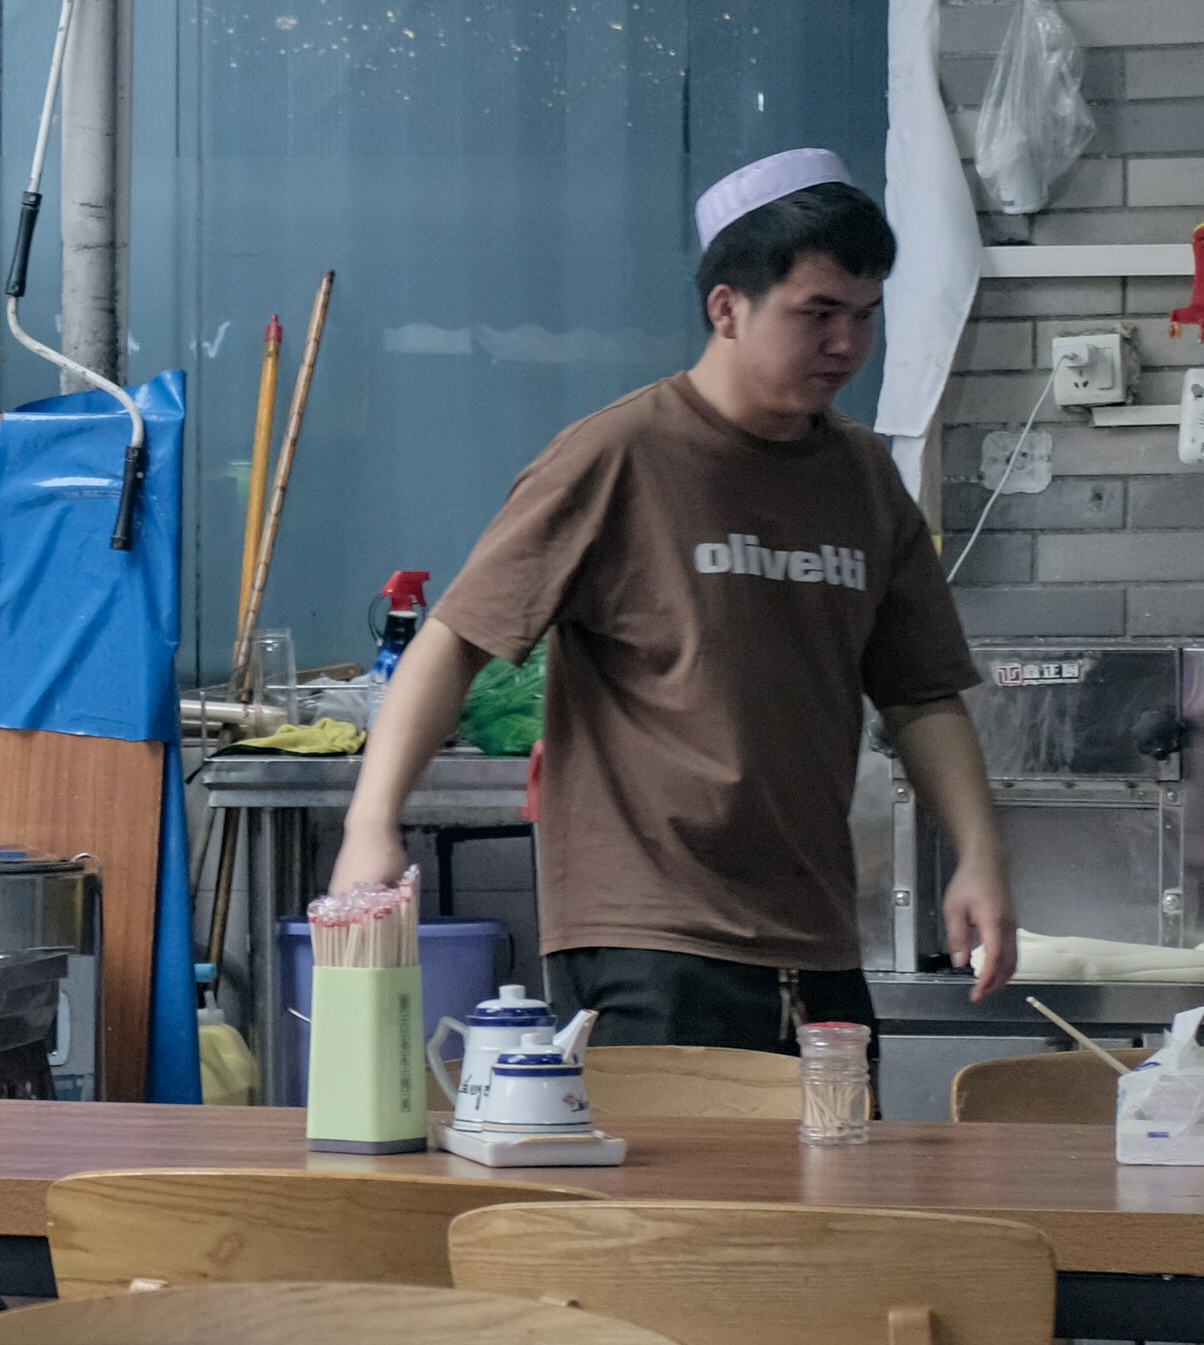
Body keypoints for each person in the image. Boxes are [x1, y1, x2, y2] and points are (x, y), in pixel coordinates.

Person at [336, 148, 1015, 1041]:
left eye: (863, 315)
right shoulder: (617, 457)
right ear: (726, 308)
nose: (846, 344)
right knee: (674, 1185)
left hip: (814, 938)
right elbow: (454, 640)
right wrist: (370, 824)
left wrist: (980, 857)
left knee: (829, 1177)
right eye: (816, 314)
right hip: (646, 934)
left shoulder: (863, 481)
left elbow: (922, 693)